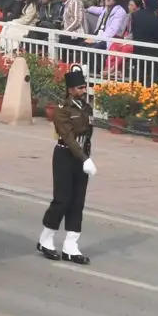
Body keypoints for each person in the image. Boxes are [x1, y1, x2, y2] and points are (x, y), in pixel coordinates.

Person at [40, 66, 95, 265]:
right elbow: (69, 138)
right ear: (70, 90)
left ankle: (71, 245)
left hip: (81, 158)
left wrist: (87, 155)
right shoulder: (61, 112)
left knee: (78, 202)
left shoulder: (86, 108)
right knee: (62, 200)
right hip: (65, 156)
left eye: (84, 87)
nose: (83, 91)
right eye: (79, 88)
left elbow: (86, 136)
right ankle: (46, 239)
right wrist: (85, 159)